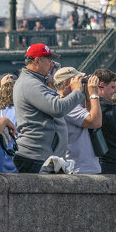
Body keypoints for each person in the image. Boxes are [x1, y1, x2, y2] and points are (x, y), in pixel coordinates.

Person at [13, 43, 86, 174]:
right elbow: (57, 109)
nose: (52, 64)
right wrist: (77, 92)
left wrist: (69, 93)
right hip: (35, 157)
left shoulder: (36, 81)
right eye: (49, 60)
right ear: (37, 61)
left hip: (45, 156)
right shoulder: (30, 83)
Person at [52, 67, 102, 174]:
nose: (82, 84)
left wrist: (88, 97)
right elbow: (95, 122)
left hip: (81, 167)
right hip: (80, 169)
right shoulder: (68, 105)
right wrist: (94, 93)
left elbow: (89, 116)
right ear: (67, 83)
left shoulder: (60, 103)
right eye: (79, 81)